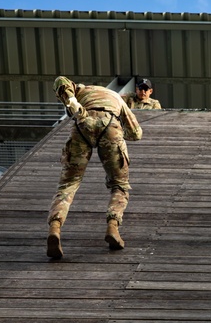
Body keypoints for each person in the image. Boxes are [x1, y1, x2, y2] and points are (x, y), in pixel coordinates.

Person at [46, 76, 143, 259]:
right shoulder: (117, 98)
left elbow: (60, 80)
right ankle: (113, 227)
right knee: (119, 185)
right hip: (110, 124)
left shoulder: (80, 91)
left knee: (68, 184)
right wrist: (120, 133)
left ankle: (55, 228)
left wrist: (72, 103)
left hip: (82, 123)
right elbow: (136, 133)